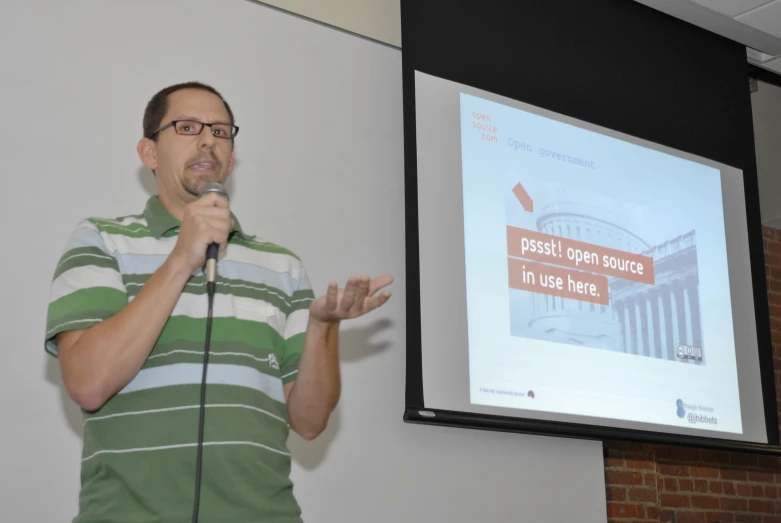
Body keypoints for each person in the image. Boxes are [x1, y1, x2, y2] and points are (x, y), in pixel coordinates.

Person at [44, 81, 393, 523]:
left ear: (231, 156)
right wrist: (180, 260)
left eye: (222, 131)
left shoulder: (281, 266)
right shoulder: (101, 241)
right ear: (149, 153)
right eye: (187, 127)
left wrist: (323, 328)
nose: (208, 139)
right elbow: (88, 383)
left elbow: (309, 421)